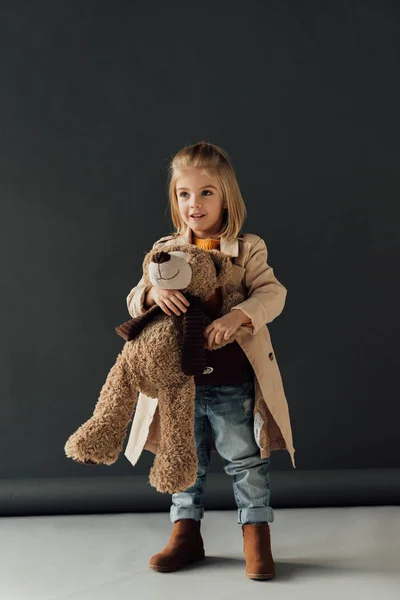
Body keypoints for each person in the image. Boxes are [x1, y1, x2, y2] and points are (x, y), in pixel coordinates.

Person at [127, 141, 293, 580]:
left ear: (226, 197)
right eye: (184, 194)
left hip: (231, 380)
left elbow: (272, 293)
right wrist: (150, 292)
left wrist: (240, 315)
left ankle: (256, 533)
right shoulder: (165, 250)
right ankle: (186, 532)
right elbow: (133, 299)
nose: (193, 204)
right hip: (180, 383)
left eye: (206, 193)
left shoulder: (247, 248)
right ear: (175, 198)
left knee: (245, 459)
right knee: (185, 458)